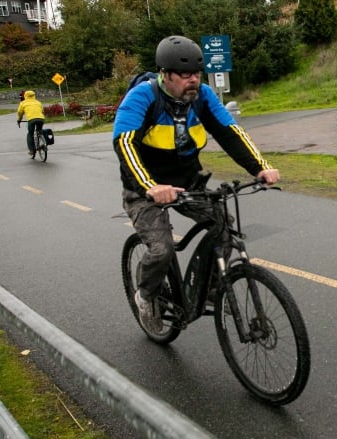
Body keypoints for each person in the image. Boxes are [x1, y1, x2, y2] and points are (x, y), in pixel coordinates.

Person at [113, 35, 279, 334]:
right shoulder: (142, 98)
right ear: (166, 75)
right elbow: (124, 144)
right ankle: (146, 296)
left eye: (197, 74)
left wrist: (260, 167)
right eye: (185, 75)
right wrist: (149, 186)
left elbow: (230, 132)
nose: (193, 80)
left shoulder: (202, 96)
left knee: (223, 228)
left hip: (188, 183)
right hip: (145, 189)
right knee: (161, 250)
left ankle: (213, 288)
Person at [16, 90, 45, 158]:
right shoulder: (38, 102)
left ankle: (32, 150)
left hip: (31, 120)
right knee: (39, 131)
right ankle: (44, 142)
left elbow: (20, 113)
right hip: (41, 119)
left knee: (30, 134)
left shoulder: (23, 103)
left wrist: (19, 120)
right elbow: (42, 111)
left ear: (25, 96)